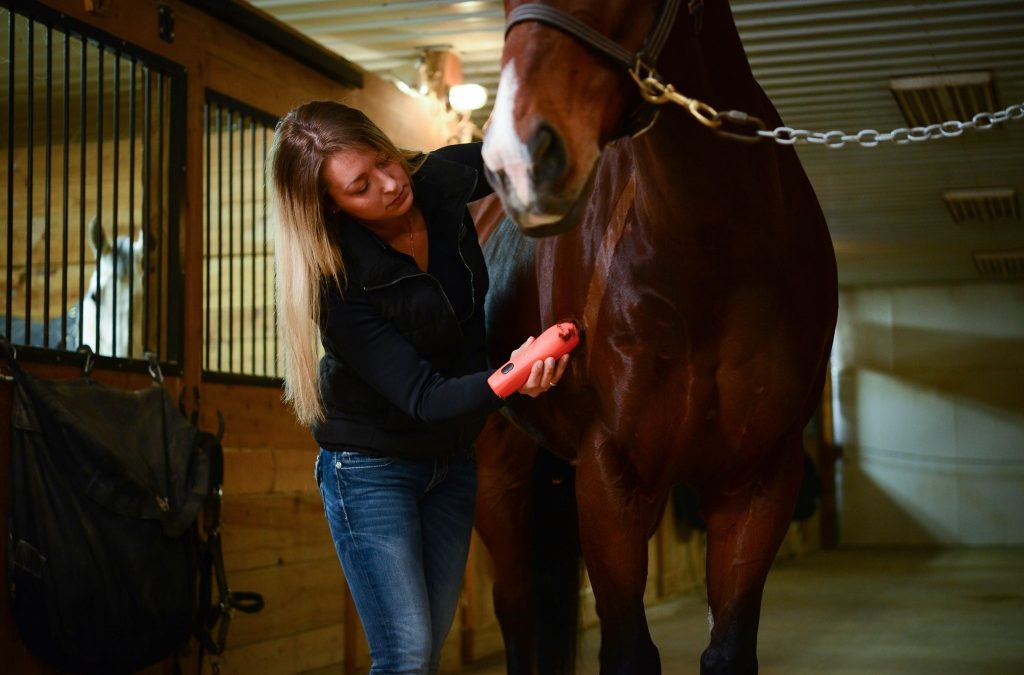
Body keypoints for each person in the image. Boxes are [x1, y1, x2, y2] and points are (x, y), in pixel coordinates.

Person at [268, 100, 569, 675]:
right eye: (360, 185)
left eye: (385, 160)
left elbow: (528, 152)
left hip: (450, 462)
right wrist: (515, 374)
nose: (390, 183)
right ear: (330, 207)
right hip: (371, 470)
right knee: (405, 657)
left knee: (426, 650)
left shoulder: (437, 180)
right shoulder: (335, 282)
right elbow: (427, 397)